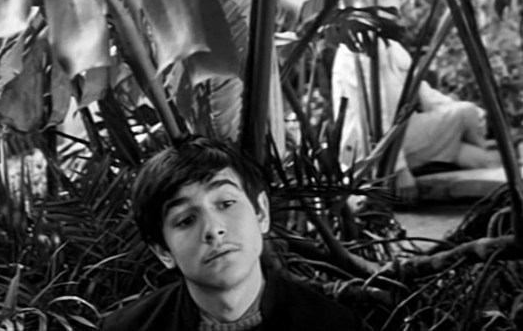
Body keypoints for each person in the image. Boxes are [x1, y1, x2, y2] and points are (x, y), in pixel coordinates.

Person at [102, 135, 361, 331]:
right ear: (163, 251)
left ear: (261, 212)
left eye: (226, 204)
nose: (213, 230)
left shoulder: (331, 323)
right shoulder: (127, 327)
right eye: (186, 220)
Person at [332, 39, 500, 201]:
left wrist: (464, 114)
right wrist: (399, 169)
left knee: (477, 157)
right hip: (374, 149)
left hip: (404, 135)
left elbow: (425, 93)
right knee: (467, 112)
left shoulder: (392, 46)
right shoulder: (356, 47)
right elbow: (375, 118)